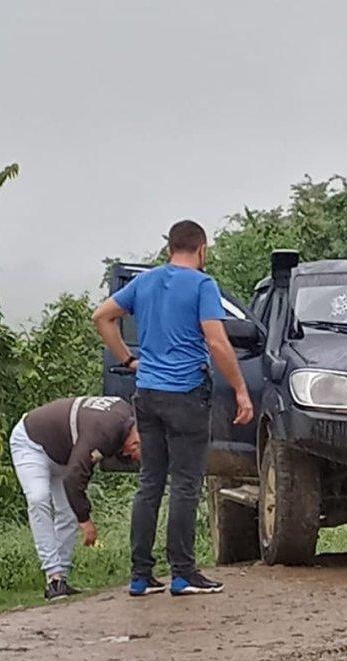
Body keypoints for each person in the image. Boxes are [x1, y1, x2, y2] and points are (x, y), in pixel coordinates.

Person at [93, 220, 255, 597]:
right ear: (202, 250)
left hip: (147, 393)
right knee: (185, 483)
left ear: (170, 248)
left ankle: (141, 575)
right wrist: (241, 390)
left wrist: (128, 360)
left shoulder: (145, 282)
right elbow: (216, 342)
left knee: (150, 483)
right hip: (186, 393)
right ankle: (182, 573)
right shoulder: (202, 285)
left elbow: (101, 317)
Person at [9, 396, 141, 601]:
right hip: (31, 442)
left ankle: (60, 578)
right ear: (135, 439)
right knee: (38, 499)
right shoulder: (104, 432)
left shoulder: (125, 415)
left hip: (65, 454)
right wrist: (85, 520)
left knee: (67, 509)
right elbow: (74, 478)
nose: (130, 456)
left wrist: (78, 512)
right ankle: (53, 576)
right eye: (134, 451)